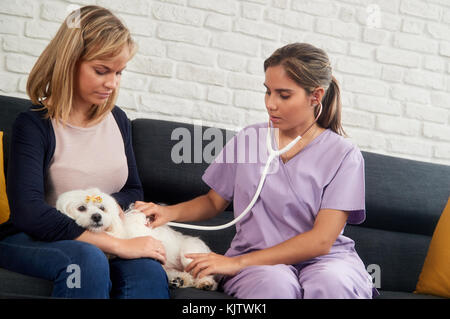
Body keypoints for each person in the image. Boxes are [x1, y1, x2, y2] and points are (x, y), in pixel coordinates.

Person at [134, 43, 378, 299]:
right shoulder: (250, 138)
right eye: (268, 92)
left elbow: (321, 240)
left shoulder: (343, 155)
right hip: (256, 261)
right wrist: (166, 212)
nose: (271, 104)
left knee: (333, 283)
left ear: (315, 96)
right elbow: (212, 201)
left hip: (324, 260)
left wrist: (235, 263)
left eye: (284, 95)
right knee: (275, 286)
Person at [0, 5, 169, 299]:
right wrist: (116, 245)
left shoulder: (118, 120)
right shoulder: (34, 124)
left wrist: (103, 214)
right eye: (101, 70)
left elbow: (132, 189)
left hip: (103, 233)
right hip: (35, 238)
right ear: (69, 62)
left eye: (119, 72)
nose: (112, 83)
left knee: (148, 270)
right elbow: (29, 212)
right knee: (85, 261)